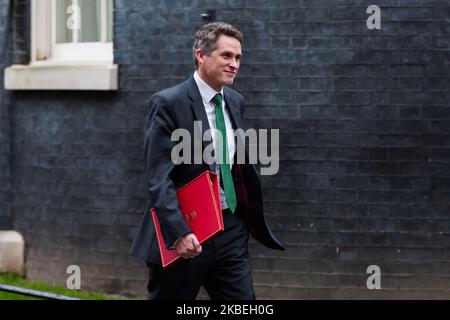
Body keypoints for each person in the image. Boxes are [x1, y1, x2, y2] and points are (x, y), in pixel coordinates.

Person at [130, 22, 284, 300]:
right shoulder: (168, 102)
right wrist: (179, 232)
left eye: (238, 57)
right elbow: (158, 177)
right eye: (226, 56)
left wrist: (242, 219)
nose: (234, 64)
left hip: (231, 230)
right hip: (188, 233)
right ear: (201, 55)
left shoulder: (236, 101)